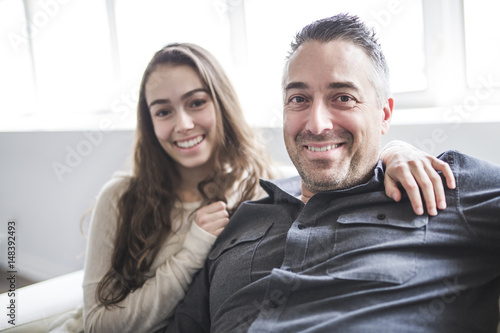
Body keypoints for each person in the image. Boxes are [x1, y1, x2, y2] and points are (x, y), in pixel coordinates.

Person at [82, 43, 452, 332]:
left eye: (196, 103)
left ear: (222, 106)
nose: (183, 124)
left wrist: (394, 151)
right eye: (163, 111)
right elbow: (97, 324)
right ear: (149, 123)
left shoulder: (264, 184)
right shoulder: (120, 198)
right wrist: (193, 247)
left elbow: (328, 167)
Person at [164, 15, 500, 333]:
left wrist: (393, 150)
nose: (317, 124)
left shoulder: (443, 184)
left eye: (343, 97)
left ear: (384, 115)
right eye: (299, 99)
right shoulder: (241, 218)